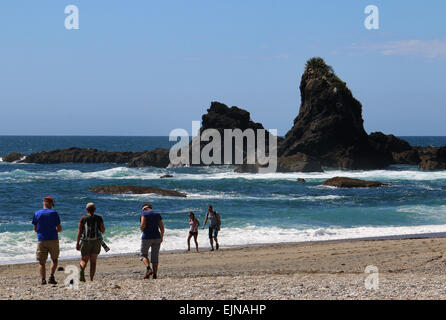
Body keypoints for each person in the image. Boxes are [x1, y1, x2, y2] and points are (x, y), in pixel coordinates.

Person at [32, 196, 62, 285]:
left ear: (43, 203)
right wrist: (57, 230)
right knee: (54, 259)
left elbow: (35, 228)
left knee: (42, 262)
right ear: (51, 204)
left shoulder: (37, 213)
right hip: (53, 239)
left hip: (41, 239)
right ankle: (51, 277)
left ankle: (43, 280)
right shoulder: (54, 213)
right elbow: (59, 228)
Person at [76, 203, 105, 282]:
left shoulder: (83, 218)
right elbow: (103, 230)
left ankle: (82, 270)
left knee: (84, 259)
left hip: (85, 241)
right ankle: (91, 279)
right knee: (93, 261)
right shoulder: (99, 218)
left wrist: (77, 243)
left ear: (86, 210)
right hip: (96, 241)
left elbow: (79, 232)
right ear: (95, 210)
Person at [140, 203, 164, 279]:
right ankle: (154, 275)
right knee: (155, 257)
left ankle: (148, 269)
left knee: (143, 255)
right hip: (157, 237)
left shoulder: (144, 213)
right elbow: (162, 228)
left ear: (143, 208)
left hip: (147, 237)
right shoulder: (157, 214)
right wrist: (161, 236)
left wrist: (142, 229)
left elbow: (143, 225)